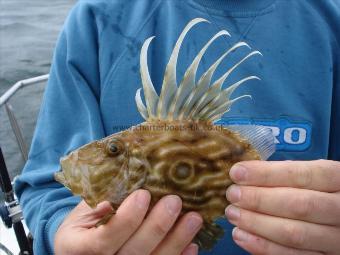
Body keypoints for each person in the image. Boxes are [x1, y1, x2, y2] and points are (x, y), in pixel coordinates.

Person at [14, 0, 340, 254]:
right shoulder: (96, 20)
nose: (110, 153)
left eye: (115, 150)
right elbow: (49, 184)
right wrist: (63, 235)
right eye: (114, 150)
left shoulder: (331, 21)